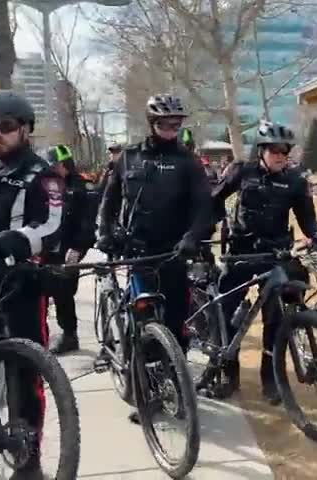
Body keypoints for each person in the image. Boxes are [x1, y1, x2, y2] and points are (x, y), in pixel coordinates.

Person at [0, 89, 64, 479]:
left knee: (24, 374)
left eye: (6, 127)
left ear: (25, 129)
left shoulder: (42, 174)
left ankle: (28, 459)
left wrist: (7, 243)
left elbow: (51, 227)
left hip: (21, 285)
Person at [96, 94, 213, 421]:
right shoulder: (128, 158)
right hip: (137, 255)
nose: (171, 129)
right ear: (152, 123)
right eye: (165, 123)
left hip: (174, 254)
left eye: (177, 123)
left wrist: (193, 236)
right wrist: (104, 232)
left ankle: (175, 384)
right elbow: (108, 201)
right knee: (143, 325)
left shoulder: (189, 162)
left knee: (176, 326)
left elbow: (205, 207)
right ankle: (145, 394)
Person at [211, 121, 317, 403]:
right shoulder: (241, 172)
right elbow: (213, 201)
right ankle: (229, 371)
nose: (279, 155)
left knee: (276, 319)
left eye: (284, 150)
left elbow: (307, 219)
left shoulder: (296, 181)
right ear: (262, 150)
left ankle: (271, 375)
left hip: (276, 255)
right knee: (225, 312)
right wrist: (202, 234)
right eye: (274, 150)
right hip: (240, 253)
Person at [44, 144, 98, 355]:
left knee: (63, 292)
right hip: (48, 248)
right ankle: (41, 335)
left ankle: (69, 335)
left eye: (54, 165)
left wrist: (78, 248)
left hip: (70, 249)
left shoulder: (82, 189)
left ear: (64, 165)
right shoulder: (49, 185)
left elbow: (87, 223)